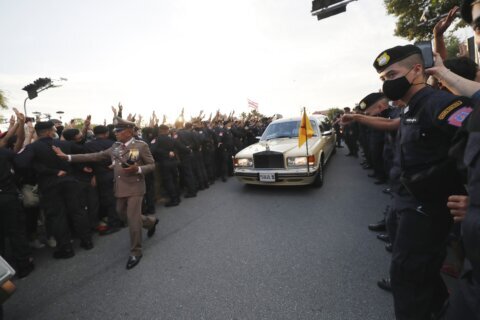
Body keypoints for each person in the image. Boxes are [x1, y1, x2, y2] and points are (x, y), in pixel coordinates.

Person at [342, 44, 473, 319]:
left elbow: (474, 143)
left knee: (408, 278)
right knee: (417, 276)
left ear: (416, 71)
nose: (387, 83)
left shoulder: (438, 104)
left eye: (391, 75)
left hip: (428, 210)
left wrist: (475, 199)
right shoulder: (412, 107)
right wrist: (357, 117)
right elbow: (394, 127)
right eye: (383, 79)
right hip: (408, 202)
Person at [53, 117, 159, 270]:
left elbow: (152, 165)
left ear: (129, 132)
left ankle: (136, 251)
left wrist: (138, 169)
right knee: (121, 213)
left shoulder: (140, 146)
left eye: (119, 131)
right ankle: (150, 222)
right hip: (120, 187)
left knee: (132, 219)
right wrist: (68, 157)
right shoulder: (116, 146)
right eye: (115, 131)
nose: (115, 133)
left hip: (135, 187)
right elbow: (95, 156)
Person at [15, 121, 94, 259]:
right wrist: (81, 168)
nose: (54, 132)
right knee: (78, 211)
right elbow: (84, 152)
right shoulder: (64, 144)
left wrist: (39, 167)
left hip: (49, 185)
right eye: (53, 129)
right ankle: (87, 241)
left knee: (58, 217)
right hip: (70, 182)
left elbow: (20, 163)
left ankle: (66, 249)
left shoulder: (33, 148)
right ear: (48, 132)